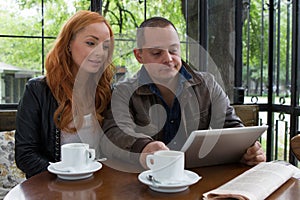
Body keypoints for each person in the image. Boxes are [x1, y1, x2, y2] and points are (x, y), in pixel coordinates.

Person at [101, 16, 266, 169]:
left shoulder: (207, 84)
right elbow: (114, 132)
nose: (168, 59)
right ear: (139, 55)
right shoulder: (123, 91)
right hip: (147, 180)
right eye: (157, 53)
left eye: (173, 50)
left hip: (197, 177)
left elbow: (230, 125)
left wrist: (248, 150)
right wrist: (143, 147)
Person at [15, 10, 115, 178]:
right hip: (52, 186)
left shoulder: (107, 91)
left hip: (98, 184)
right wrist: (65, 176)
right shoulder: (38, 90)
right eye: (91, 43)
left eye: (106, 46)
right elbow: (25, 155)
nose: (100, 52)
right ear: (68, 44)